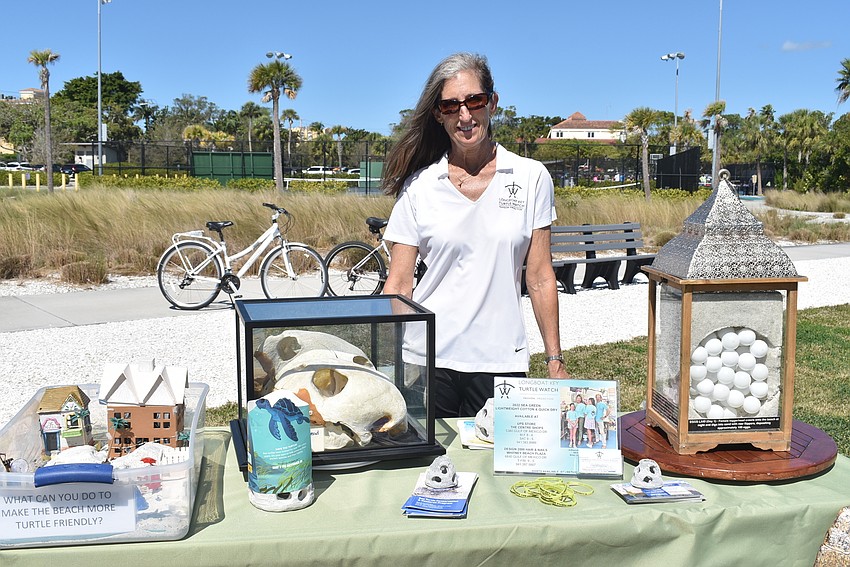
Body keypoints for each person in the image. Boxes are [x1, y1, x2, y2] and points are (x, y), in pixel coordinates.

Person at [381, 52, 567, 418]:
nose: (464, 115)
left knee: (497, 470)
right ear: (439, 114)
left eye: (474, 101)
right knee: (428, 472)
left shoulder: (530, 177)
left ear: (492, 103)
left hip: (501, 359)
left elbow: (541, 275)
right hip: (427, 360)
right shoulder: (419, 187)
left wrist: (554, 359)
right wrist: (390, 362)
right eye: (451, 106)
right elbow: (399, 285)